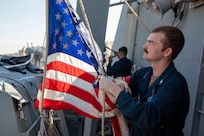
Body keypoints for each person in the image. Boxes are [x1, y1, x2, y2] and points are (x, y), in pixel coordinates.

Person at [98, 26, 190, 136]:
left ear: (167, 52)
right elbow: (125, 81)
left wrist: (115, 91)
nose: (144, 46)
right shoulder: (143, 74)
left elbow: (149, 117)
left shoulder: (175, 84)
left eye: (151, 42)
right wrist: (119, 83)